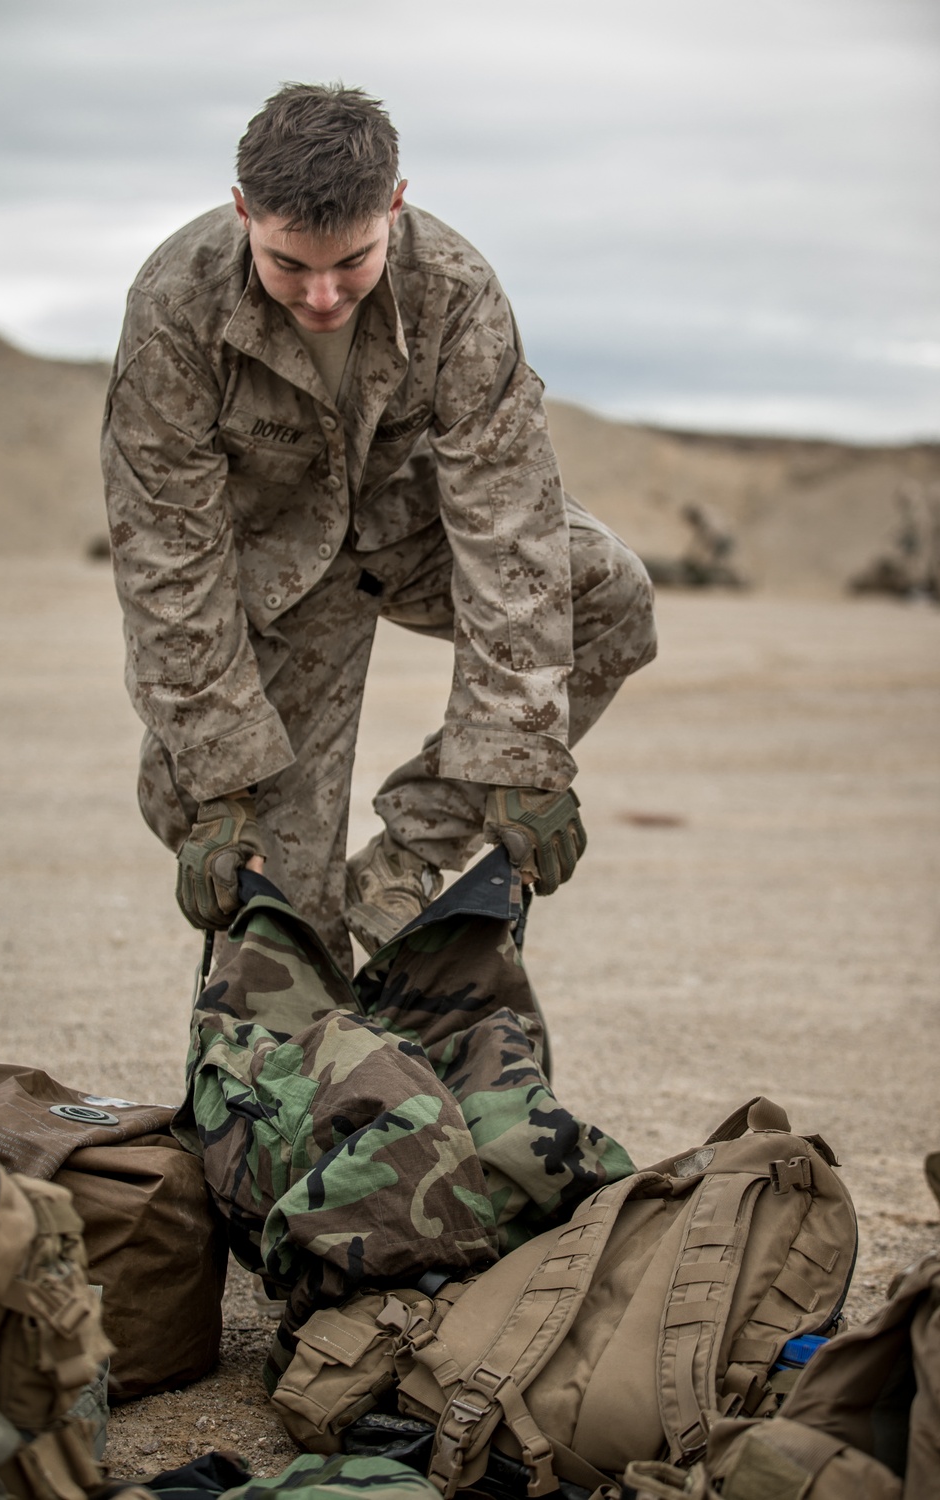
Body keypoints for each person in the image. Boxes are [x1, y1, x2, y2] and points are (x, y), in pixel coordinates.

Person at [102, 83, 657, 973]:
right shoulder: (179, 306)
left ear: (394, 206)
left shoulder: (457, 289)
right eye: (289, 266)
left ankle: (404, 860)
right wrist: (215, 781)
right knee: (285, 914)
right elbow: (168, 555)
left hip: (410, 527)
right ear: (244, 211)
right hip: (274, 574)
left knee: (608, 589)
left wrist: (519, 756)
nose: (322, 296)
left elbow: (508, 519)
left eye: (352, 262)